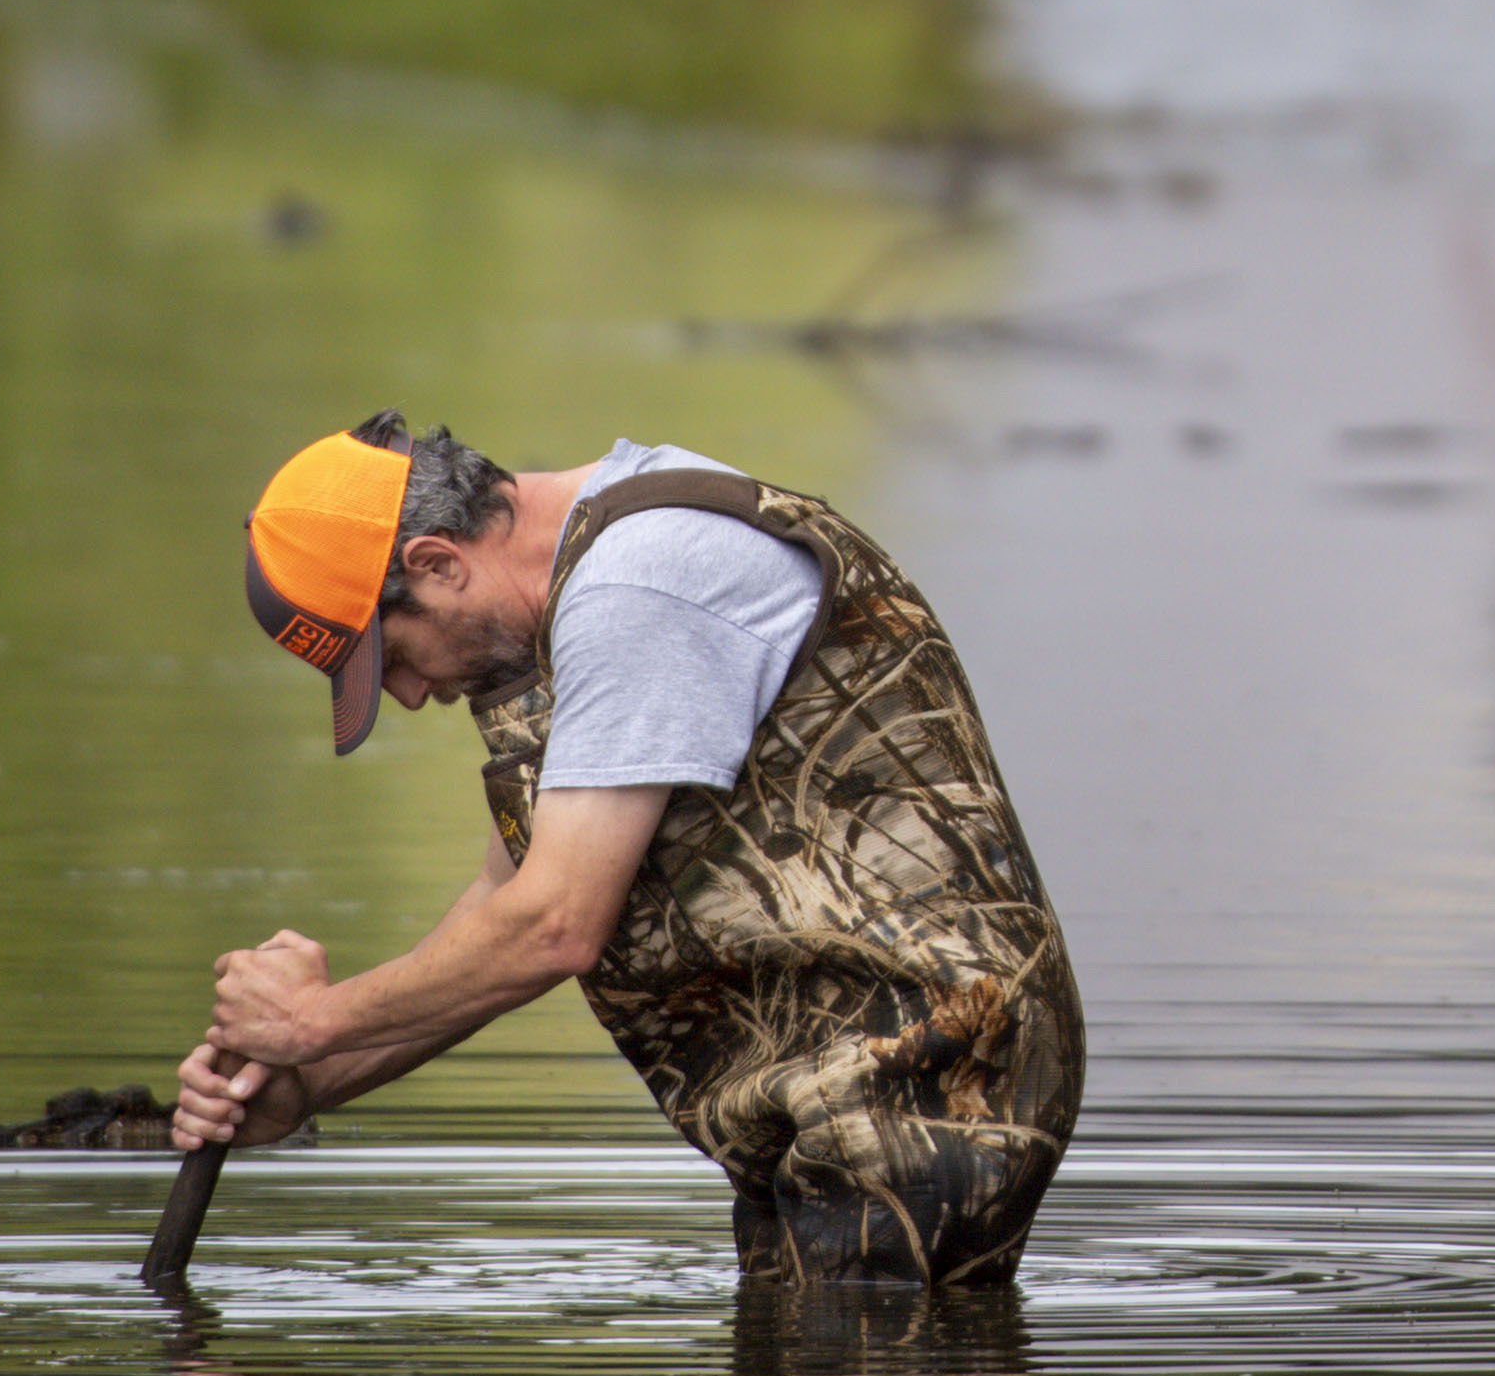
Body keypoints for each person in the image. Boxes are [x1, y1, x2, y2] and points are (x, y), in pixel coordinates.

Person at [172, 413, 1084, 1284]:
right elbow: (502, 909)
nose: (409, 695)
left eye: (391, 656)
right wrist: (308, 1083)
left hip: (927, 1076)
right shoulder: (602, 584)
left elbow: (554, 925)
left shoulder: (635, 588)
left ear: (437, 563)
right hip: (847, 1092)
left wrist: (310, 1021)